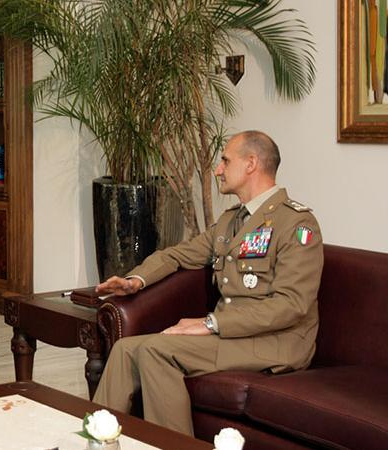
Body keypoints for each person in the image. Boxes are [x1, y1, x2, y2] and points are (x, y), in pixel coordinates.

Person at [92, 130, 323, 436]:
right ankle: (93, 441)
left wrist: (211, 324)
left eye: (225, 161)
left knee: (156, 350)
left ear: (251, 163)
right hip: (234, 336)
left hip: (277, 342)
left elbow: (291, 305)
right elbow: (178, 255)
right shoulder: (231, 220)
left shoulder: (296, 223)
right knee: (125, 349)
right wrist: (135, 280)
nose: (217, 169)